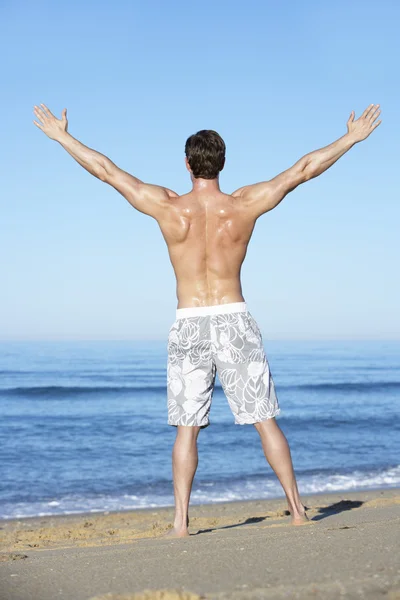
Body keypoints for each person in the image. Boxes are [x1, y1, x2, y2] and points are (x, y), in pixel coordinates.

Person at [33, 103, 381, 537]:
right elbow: (303, 170)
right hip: (235, 319)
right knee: (264, 419)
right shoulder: (243, 205)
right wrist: (350, 138)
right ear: (223, 163)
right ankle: (296, 510)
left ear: (186, 164)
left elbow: (107, 171)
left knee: (187, 430)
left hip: (190, 322)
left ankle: (180, 524)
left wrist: (62, 136)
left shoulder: (167, 207)